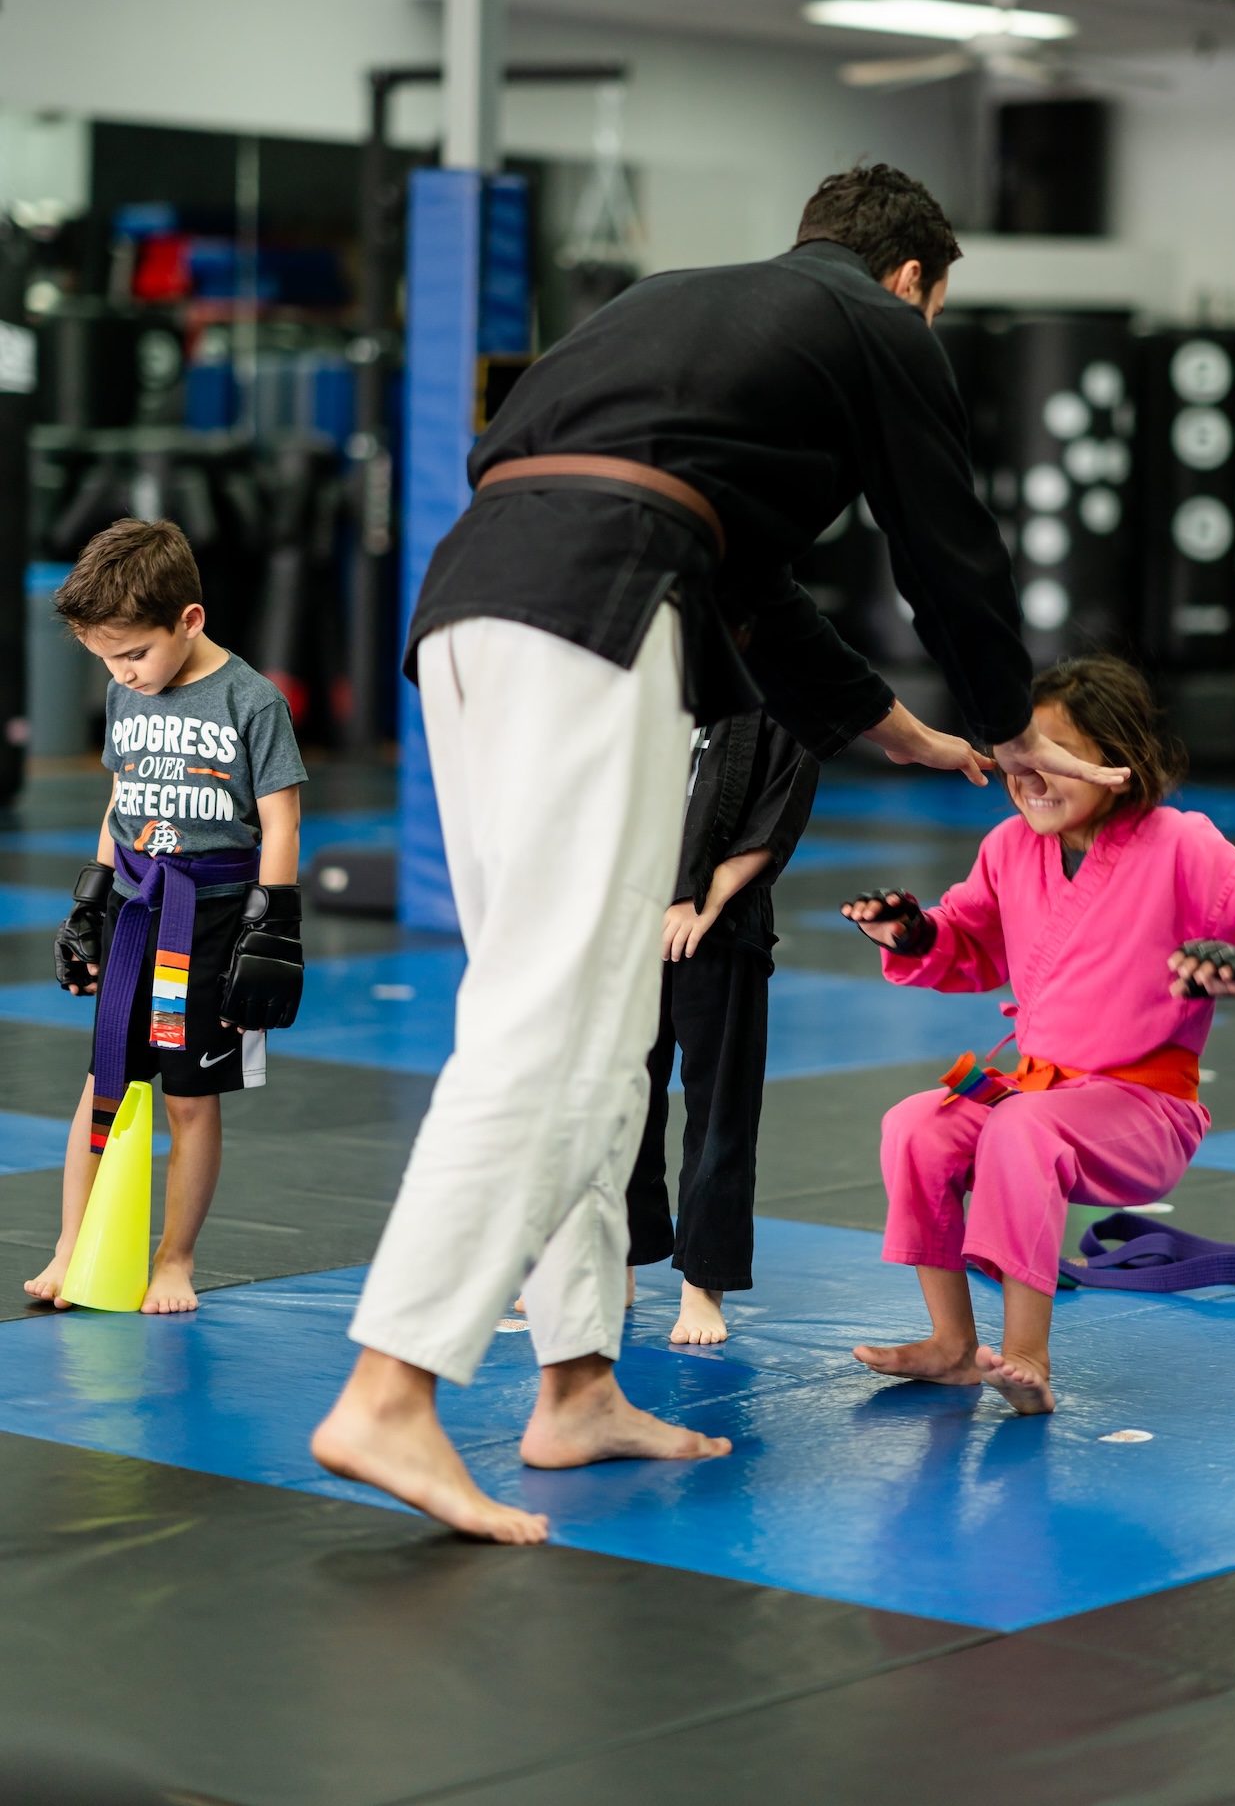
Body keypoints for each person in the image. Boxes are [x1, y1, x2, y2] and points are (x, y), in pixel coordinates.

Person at [312, 163, 1134, 1544]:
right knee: (553, 1020)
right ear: (912, 279)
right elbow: (948, 548)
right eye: (931, 305)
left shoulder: (681, 311)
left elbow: (753, 590)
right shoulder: (880, 325)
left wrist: (901, 733)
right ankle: (391, 1385)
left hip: (468, 608)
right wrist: (1013, 727)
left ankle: (576, 1380)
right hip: (598, 608)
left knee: (594, 1017)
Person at [844, 655, 1235, 1414]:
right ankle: (952, 1345)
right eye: (1018, 758)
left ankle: (1027, 1355)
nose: (1031, 778)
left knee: (1020, 1128)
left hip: (1145, 1110)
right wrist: (911, 932)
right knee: (916, 1126)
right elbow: (967, 941)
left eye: (1053, 756)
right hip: (1039, 1092)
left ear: (1117, 762)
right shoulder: (1008, 847)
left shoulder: (1182, 843)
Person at [24, 519, 306, 1317]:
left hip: (212, 920)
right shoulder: (128, 690)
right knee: (103, 1084)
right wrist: (90, 899)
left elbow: (281, 820)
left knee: (190, 1095)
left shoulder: (253, 700)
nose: (121, 672)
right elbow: (121, 800)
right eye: (106, 659)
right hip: (134, 908)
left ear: (189, 619)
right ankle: (70, 1244)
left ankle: (175, 1257)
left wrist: (272, 926)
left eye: (134, 653)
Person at [627, 712, 818, 1345]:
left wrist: (703, 901)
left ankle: (701, 1284)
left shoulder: (779, 692)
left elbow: (778, 815)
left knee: (719, 1108)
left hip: (724, 922)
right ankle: (612, 1257)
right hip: (623, 916)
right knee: (615, 1096)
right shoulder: (641, 675)